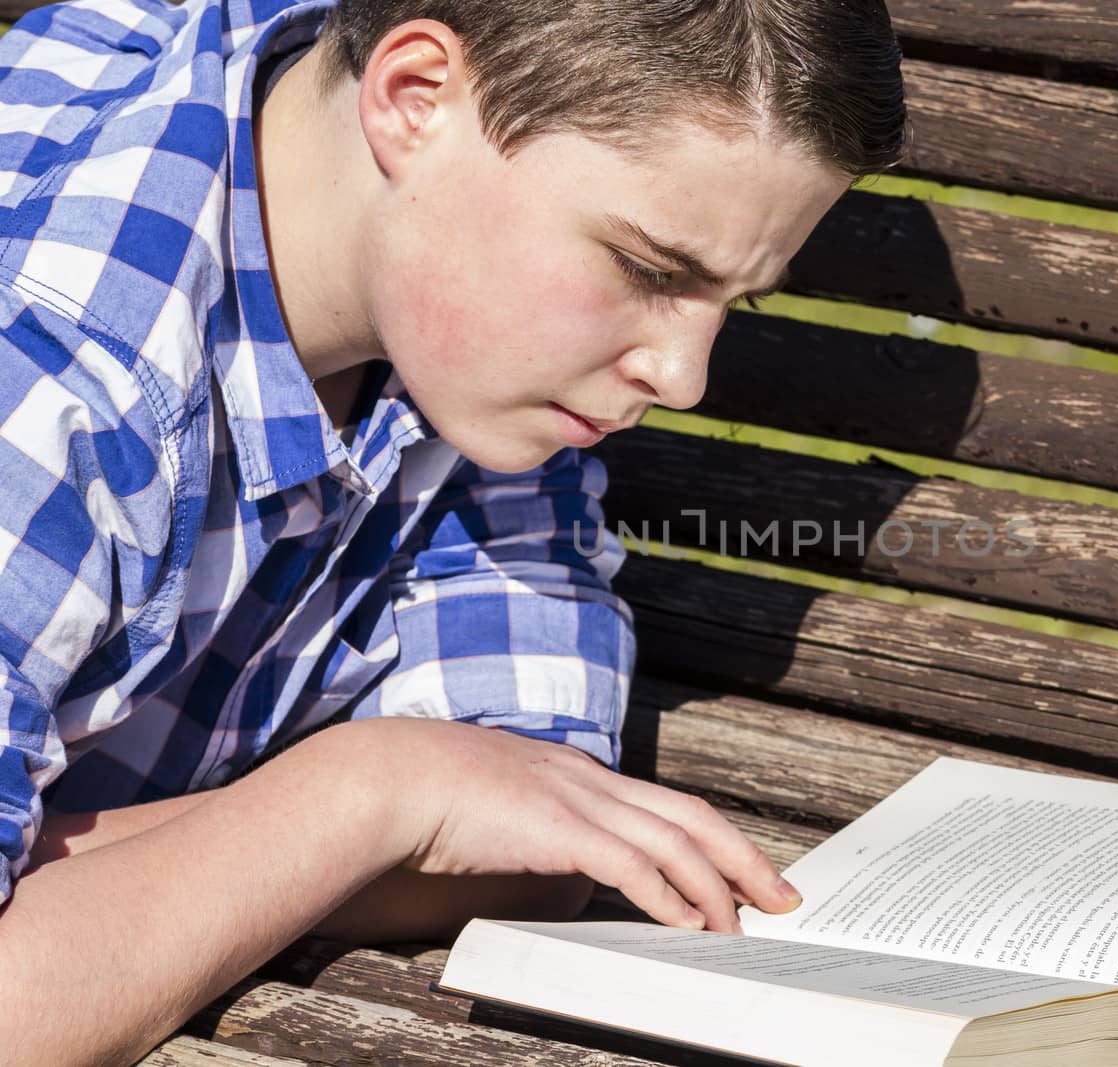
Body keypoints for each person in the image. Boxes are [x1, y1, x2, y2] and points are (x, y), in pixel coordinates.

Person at [0, 0, 905, 1059]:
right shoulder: (52, 387)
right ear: (414, 98)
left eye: (731, 302)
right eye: (653, 270)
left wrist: (81, 871)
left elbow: (532, 812)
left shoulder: (438, 313)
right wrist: (368, 795)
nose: (684, 379)